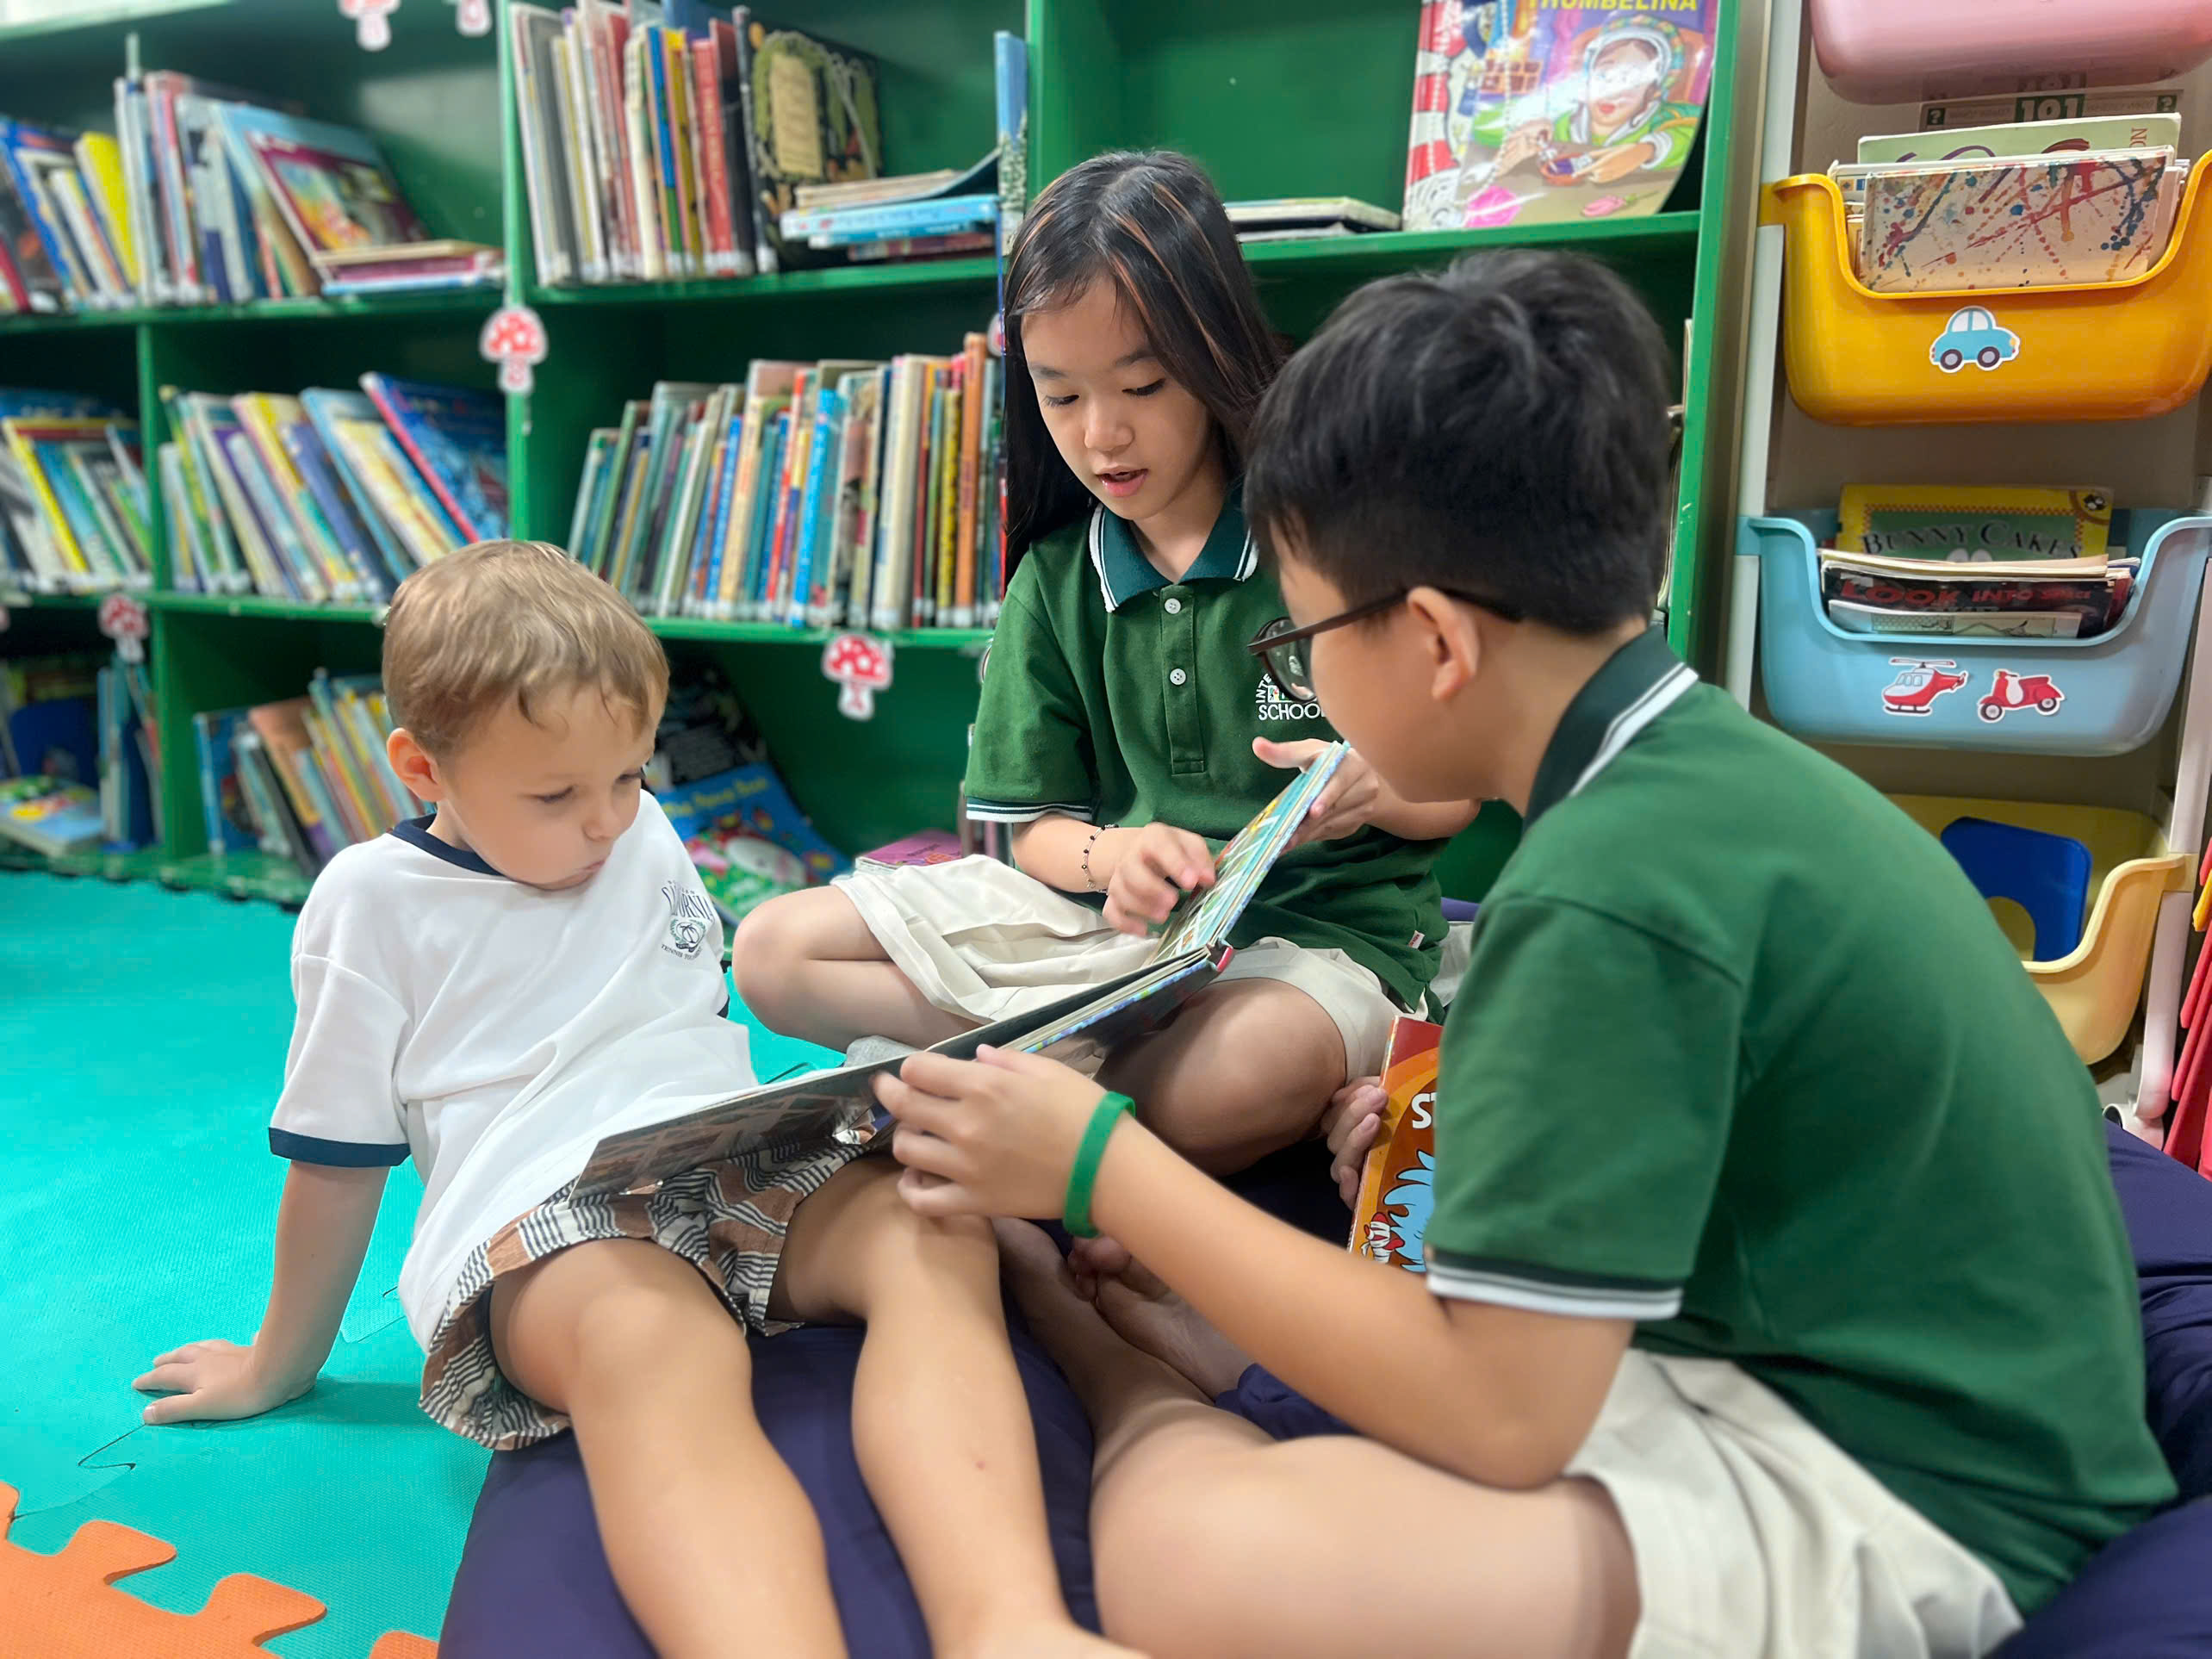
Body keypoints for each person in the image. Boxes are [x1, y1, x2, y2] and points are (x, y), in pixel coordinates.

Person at [868, 252, 2179, 1658]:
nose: (1301, 679)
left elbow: (1500, 1415)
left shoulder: (1601, 890)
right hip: (1859, 1377)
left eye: (1303, 641)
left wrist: (1099, 1162)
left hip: (1919, 1500)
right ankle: (1173, 1355)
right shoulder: (1704, 775)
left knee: (1188, 1556)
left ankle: (1118, 1375)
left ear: (1434, 642)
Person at [133, 542, 1123, 1659]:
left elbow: (686, 1020)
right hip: (547, 1219)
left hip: (722, 1154)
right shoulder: (369, 903)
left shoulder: (637, 830)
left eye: (628, 776)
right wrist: (278, 1361)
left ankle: (1010, 1621)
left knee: (930, 1228)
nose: (607, 820)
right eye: (556, 795)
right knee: (652, 1343)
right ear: (422, 768)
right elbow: (335, 1164)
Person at [736, 150, 1474, 1174]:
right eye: (1060, 396)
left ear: (1215, 352)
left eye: (1141, 384)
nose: (1102, 434)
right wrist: (1114, 859)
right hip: (1107, 947)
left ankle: (1007, 1094)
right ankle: (1072, 1102)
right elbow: (1032, 830)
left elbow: (1455, 795)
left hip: (1314, 944)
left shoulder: (1327, 538)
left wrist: (1372, 788)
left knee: (1241, 1073)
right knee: (774, 952)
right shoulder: (1056, 575)